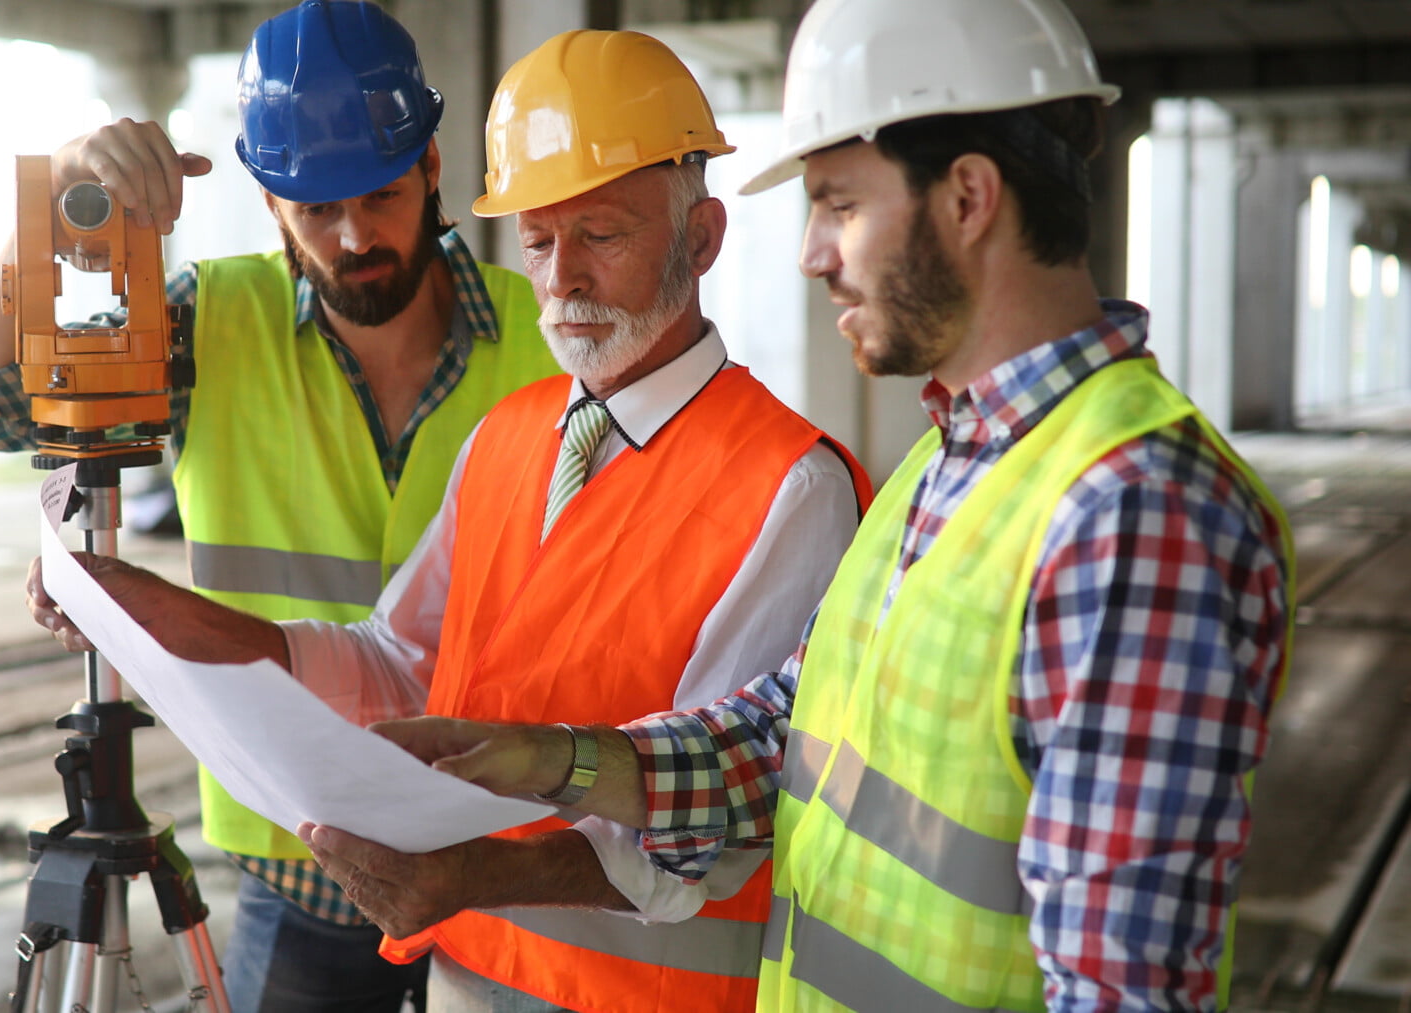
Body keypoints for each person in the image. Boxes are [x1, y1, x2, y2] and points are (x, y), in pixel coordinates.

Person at [350, 0, 1298, 1010]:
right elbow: (778, 746)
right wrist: (548, 760)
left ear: (968, 196)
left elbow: (1123, 989)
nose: (810, 251)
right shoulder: (950, 466)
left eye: (838, 202)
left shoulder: (1133, 514)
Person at [28, 29, 870, 1013]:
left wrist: (476, 876)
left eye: (602, 234)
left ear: (704, 238)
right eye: (542, 241)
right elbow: (399, 663)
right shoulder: (509, 438)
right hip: (467, 980)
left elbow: (729, 812)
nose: (563, 281)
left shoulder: (789, 483)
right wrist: (154, 611)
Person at [0, 2, 561, 1009]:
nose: (356, 234)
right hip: (298, 860)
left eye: (382, 194)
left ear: (433, 168)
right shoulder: (205, 322)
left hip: (503, 857)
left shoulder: (552, 333)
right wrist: (59, 201)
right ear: (270, 202)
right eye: (317, 208)